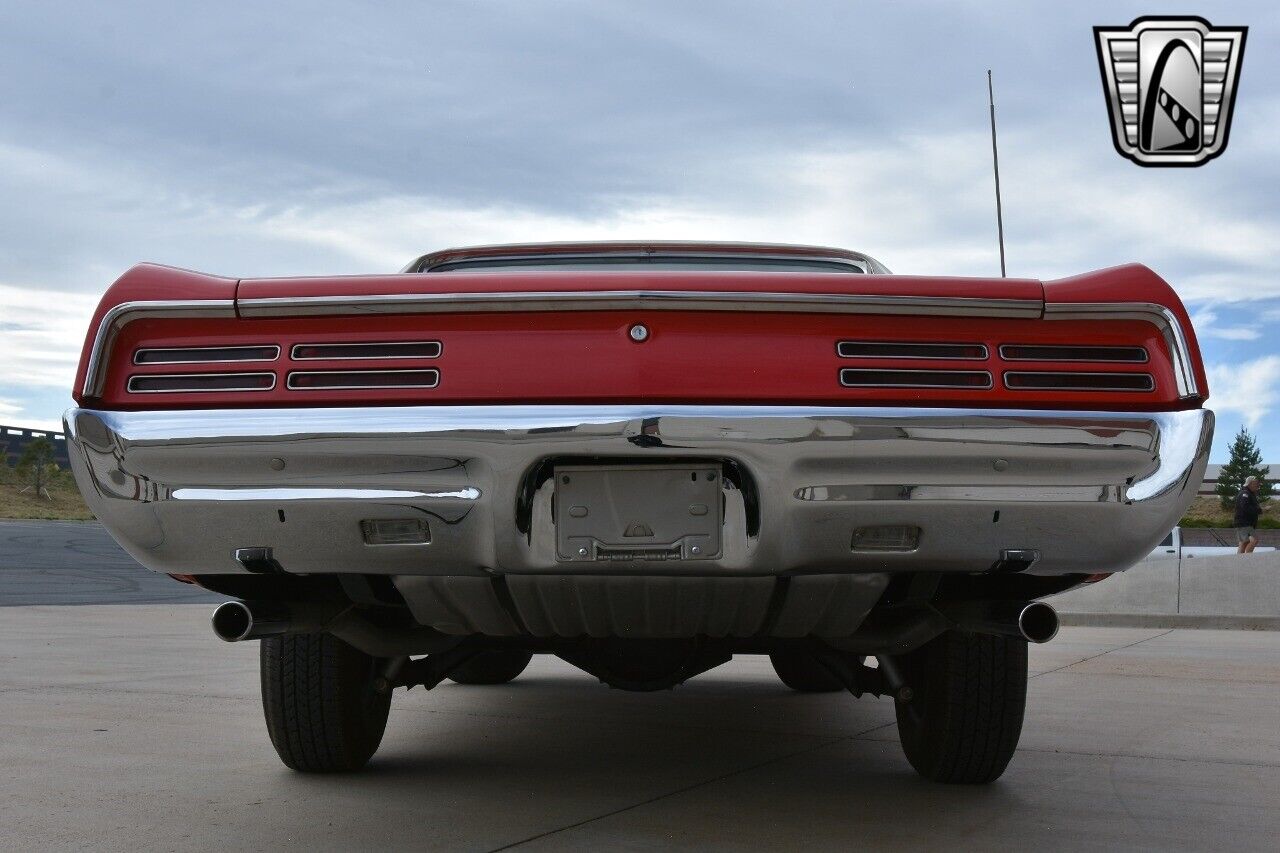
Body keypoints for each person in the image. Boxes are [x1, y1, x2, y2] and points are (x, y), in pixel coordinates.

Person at [1234, 475, 1262, 554]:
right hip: (1244, 523)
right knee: (1253, 540)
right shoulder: (1245, 494)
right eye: (1256, 484)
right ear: (1250, 484)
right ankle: (1247, 558)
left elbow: (1248, 506)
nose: (1257, 486)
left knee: (1244, 542)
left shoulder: (1250, 494)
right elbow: (1244, 507)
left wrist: (1259, 509)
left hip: (1246, 523)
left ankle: (1241, 561)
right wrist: (1259, 510)